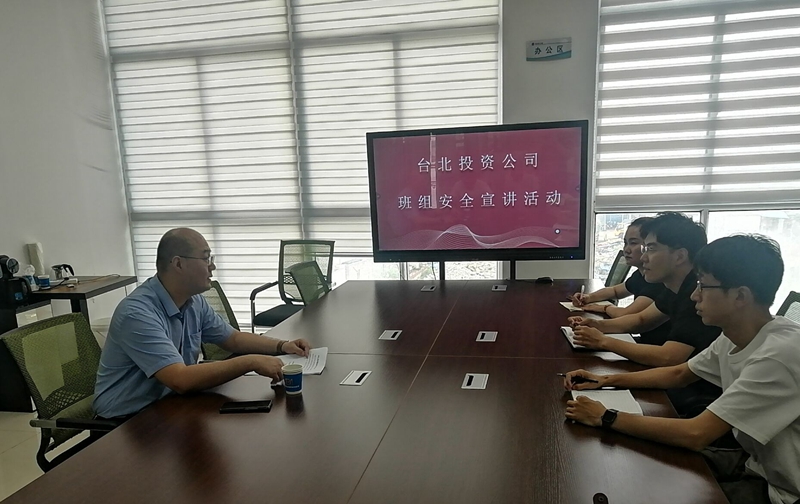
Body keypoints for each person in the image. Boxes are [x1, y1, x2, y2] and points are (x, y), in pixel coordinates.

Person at [563, 234, 800, 504]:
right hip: (755, 465)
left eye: (703, 286)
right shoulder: (735, 335)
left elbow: (696, 434)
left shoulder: (778, 356)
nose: (694, 295)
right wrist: (605, 380)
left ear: (740, 296)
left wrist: (605, 417)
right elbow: (679, 374)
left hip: (782, 492)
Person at [93, 228, 311, 419]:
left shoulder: (194, 301)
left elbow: (233, 339)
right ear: (178, 263)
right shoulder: (137, 313)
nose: (212, 266)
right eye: (206, 258)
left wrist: (282, 346)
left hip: (171, 405)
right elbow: (180, 379)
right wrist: (251, 362)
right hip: (126, 422)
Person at [568, 212, 721, 416]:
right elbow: (641, 320)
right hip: (677, 381)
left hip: (694, 399)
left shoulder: (697, 295)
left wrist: (602, 341)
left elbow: (669, 358)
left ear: (680, 256)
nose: (643, 257)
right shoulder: (675, 288)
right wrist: (596, 326)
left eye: (651, 249)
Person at [570, 216, 671, 345]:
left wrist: (605, 308)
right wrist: (588, 298)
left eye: (633, 243)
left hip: (653, 346)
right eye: (625, 243)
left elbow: (629, 315)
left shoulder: (658, 282)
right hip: (648, 344)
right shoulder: (641, 275)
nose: (626, 249)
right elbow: (615, 291)